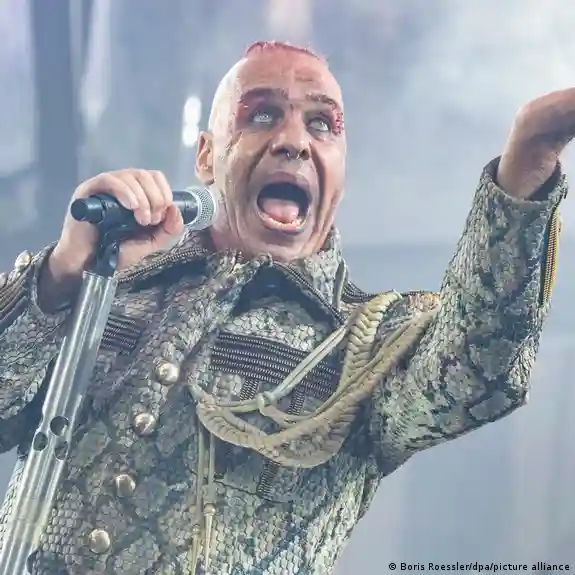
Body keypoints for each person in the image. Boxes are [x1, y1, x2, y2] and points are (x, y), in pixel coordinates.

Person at [0, 40, 569, 575]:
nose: (294, 140)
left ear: (340, 170)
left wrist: (529, 153)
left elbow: (476, 371)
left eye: (321, 124)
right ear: (207, 155)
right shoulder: (102, 289)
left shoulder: (367, 342)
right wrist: (63, 269)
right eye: (263, 115)